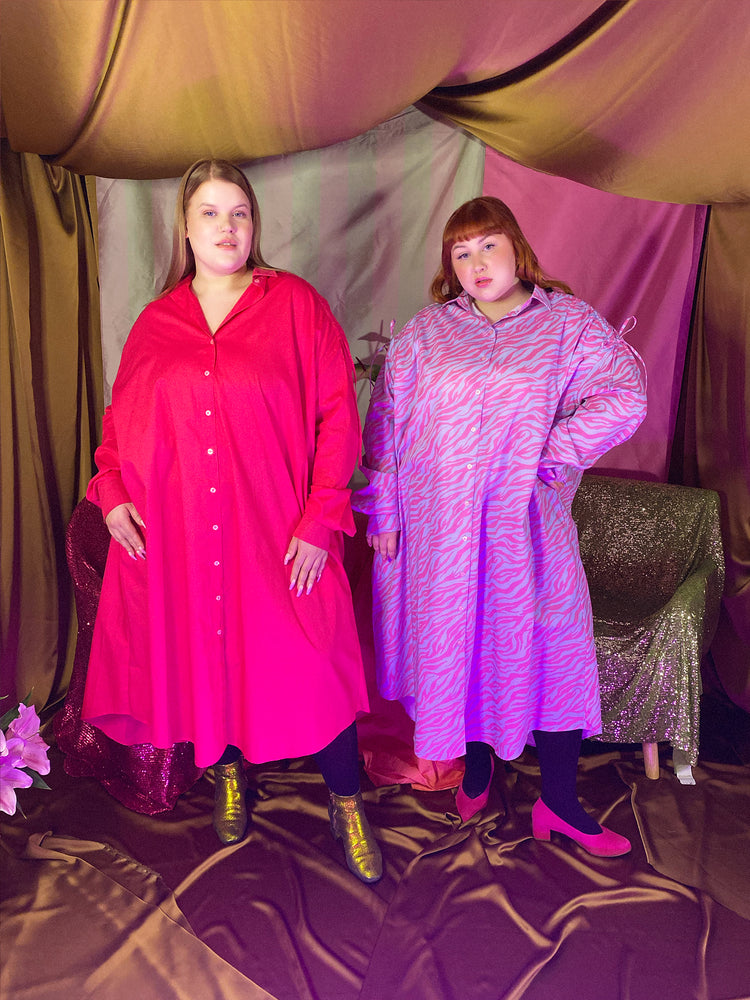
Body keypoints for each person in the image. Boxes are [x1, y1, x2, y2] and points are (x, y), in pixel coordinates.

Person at [80, 159, 381, 883]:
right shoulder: (156, 324)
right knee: (214, 662)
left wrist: (320, 520)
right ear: (185, 229)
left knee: (316, 666)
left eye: (239, 212)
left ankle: (346, 802)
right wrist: (111, 489)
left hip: (280, 536)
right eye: (210, 213)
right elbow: (121, 422)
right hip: (185, 538)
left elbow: (339, 417)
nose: (226, 226)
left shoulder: (297, 306)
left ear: (254, 226)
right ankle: (230, 776)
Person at [355, 196, 646, 857]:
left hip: (527, 531)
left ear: (517, 246)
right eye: (461, 253)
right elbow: (387, 422)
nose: (477, 263)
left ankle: (560, 803)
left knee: (554, 653)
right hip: (442, 535)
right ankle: (478, 768)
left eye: (488, 245)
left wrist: (550, 452)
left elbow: (626, 394)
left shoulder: (566, 323)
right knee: (468, 646)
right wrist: (386, 510)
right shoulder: (426, 334)